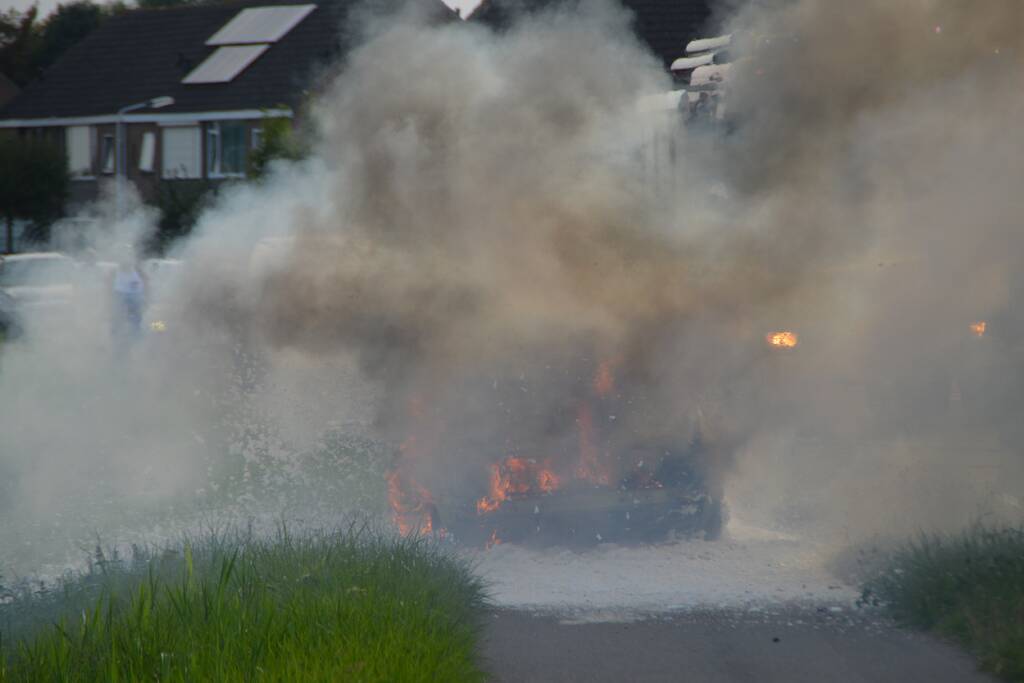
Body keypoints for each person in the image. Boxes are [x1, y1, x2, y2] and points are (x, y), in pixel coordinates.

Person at [110, 257, 148, 344]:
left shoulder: (138, 271)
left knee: (142, 322)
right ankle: (118, 339)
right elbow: (108, 286)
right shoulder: (115, 272)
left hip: (136, 300)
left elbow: (146, 282)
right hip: (120, 299)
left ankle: (138, 338)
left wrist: (146, 297)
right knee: (118, 323)